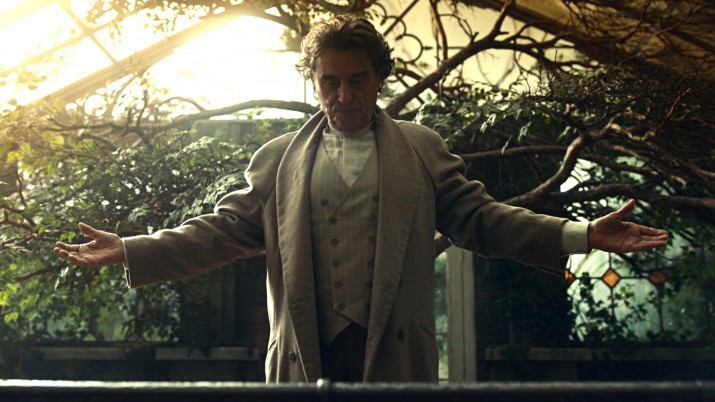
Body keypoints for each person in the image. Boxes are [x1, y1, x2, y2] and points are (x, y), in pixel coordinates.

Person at [54, 14, 668, 383]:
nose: (343, 95)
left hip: (395, 355)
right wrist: (132, 248)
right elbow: (219, 232)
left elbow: (482, 220)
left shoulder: (421, 149)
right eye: (330, 82)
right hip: (305, 354)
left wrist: (581, 233)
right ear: (314, 81)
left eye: (357, 80)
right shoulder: (277, 159)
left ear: (378, 79)